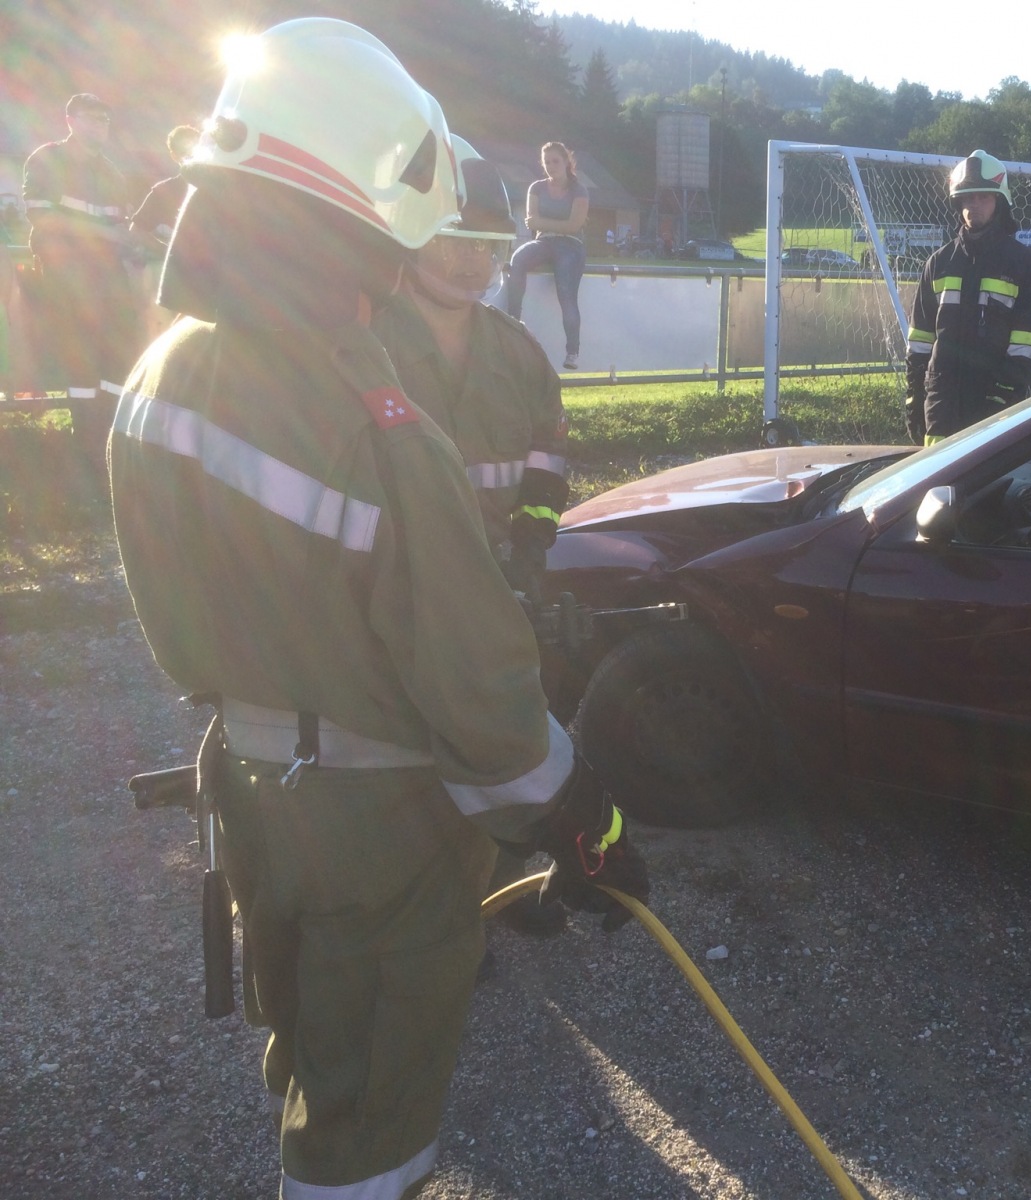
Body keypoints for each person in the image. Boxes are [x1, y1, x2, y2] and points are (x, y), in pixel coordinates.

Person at [108, 19, 647, 1199]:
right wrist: (584, 823)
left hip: (251, 786)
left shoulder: (163, 373)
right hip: (375, 829)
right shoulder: (371, 424)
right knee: (369, 1122)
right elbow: (481, 699)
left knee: (310, 1042)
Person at [370, 135, 572, 936]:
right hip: (400, 592)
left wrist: (534, 536)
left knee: (505, 734)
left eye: (486, 245)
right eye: (452, 239)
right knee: (412, 754)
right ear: (406, 234)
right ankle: (443, 917)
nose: (470, 262)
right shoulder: (362, 346)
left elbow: (549, 450)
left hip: (498, 582)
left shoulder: (516, 349)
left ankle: (507, 888)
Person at [22, 92, 143, 475]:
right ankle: (85, 446)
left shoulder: (112, 173)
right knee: (79, 358)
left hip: (109, 278)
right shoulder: (47, 159)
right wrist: (105, 235)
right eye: (91, 118)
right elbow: (43, 218)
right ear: (70, 120)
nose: (100, 126)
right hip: (68, 277)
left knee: (116, 357)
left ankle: (110, 442)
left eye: (104, 120)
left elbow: (121, 227)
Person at [904, 149, 1031, 445]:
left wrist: (1004, 394)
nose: (974, 206)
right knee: (939, 472)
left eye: (983, 197)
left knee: (993, 473)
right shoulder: (938, 263)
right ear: (958, 203)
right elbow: (920, 341)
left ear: (1000, 202)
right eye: (968, 198)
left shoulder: (1023, 264)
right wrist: (915, 398)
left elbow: (1027, 343)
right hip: (941, 404)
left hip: (998, 406)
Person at [505, 140, 587, 371]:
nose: (551, 166)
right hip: (544, 242)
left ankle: (572, 351)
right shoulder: (536, 188)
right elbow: (531, 222)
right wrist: (556, 225)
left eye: (555, 161)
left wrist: (545, 223)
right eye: (547, 162)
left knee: (566, 292)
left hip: (571, 246)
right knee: (518, 259)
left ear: (566, 162)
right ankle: (513, 324)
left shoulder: (579, 189)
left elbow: (574, 226)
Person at [128, 124, 201, 251]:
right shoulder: (164, 191)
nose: (191, 155)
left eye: (196, 149)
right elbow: (136, 231)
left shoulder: (219, 188)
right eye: (184, 151)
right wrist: (169, 250)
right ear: (174, 156)